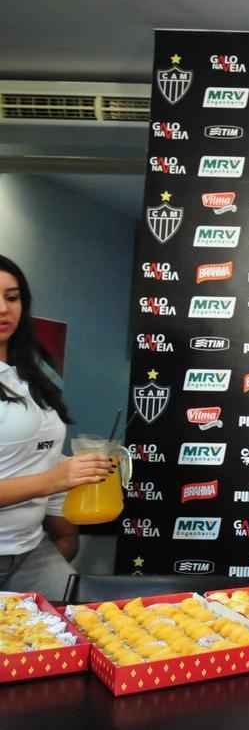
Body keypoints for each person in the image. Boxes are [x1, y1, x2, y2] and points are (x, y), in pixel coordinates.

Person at [0, 256, 113, 598]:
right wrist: (54, 480)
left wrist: (64, 525)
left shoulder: (31, 371)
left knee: (76, 636)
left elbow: (42, 449)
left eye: (12, 297)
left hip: (32, 552)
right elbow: (50, 474)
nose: (3, 308)